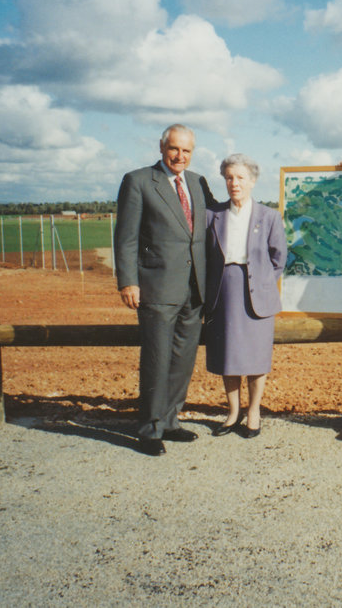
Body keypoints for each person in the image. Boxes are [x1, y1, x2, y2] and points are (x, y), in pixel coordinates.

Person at [114, 124, 217, 456]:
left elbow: (218, 215)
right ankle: (149, 429)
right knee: (157, 360)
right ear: (161, 147)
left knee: (182, 360)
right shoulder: (139, 181)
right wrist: (128, 281)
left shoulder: (199, 183)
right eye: (174, 149)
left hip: (195, 288)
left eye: (187, 151)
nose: (180, 156)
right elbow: (126, 237)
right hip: (157, 288)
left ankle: (170, 422)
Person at [204, 154, 287, 439]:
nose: (234, 183)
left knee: (255, 358)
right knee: (229, 356)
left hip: (257, 295)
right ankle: (232, 412)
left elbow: (279, 259)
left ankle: (254, 411)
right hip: (223, 292)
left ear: (252, 181)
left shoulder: (269, 216)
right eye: (229, 177)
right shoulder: (212, 214)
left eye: (240, 177)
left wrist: (262, 283)